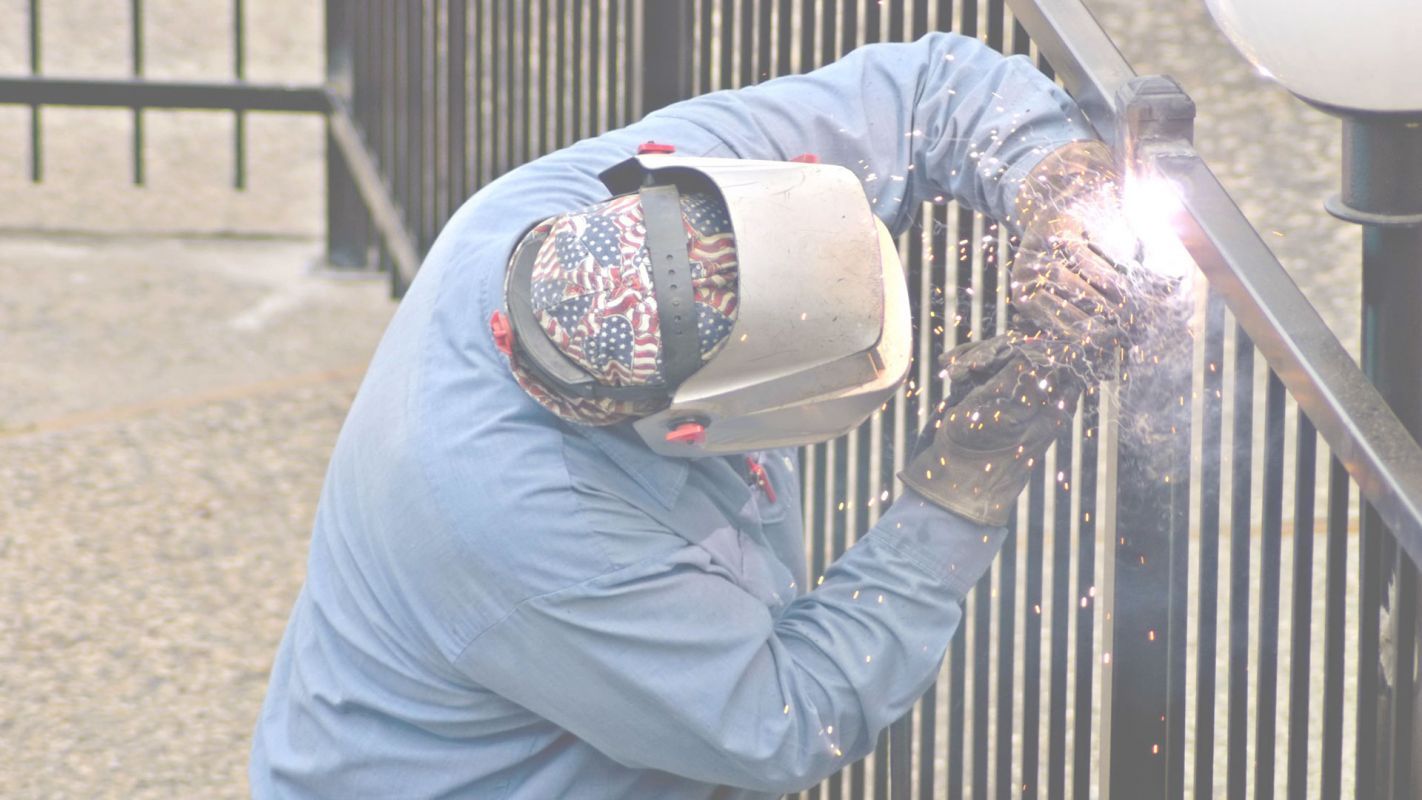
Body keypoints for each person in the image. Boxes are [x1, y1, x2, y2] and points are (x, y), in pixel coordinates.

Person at [250, 31, 1132, 799]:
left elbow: (926, 88)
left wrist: (1056, 189)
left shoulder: (587, 200)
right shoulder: (534, 534)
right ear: (688, 429)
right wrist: (962, 483)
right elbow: (784, 718)